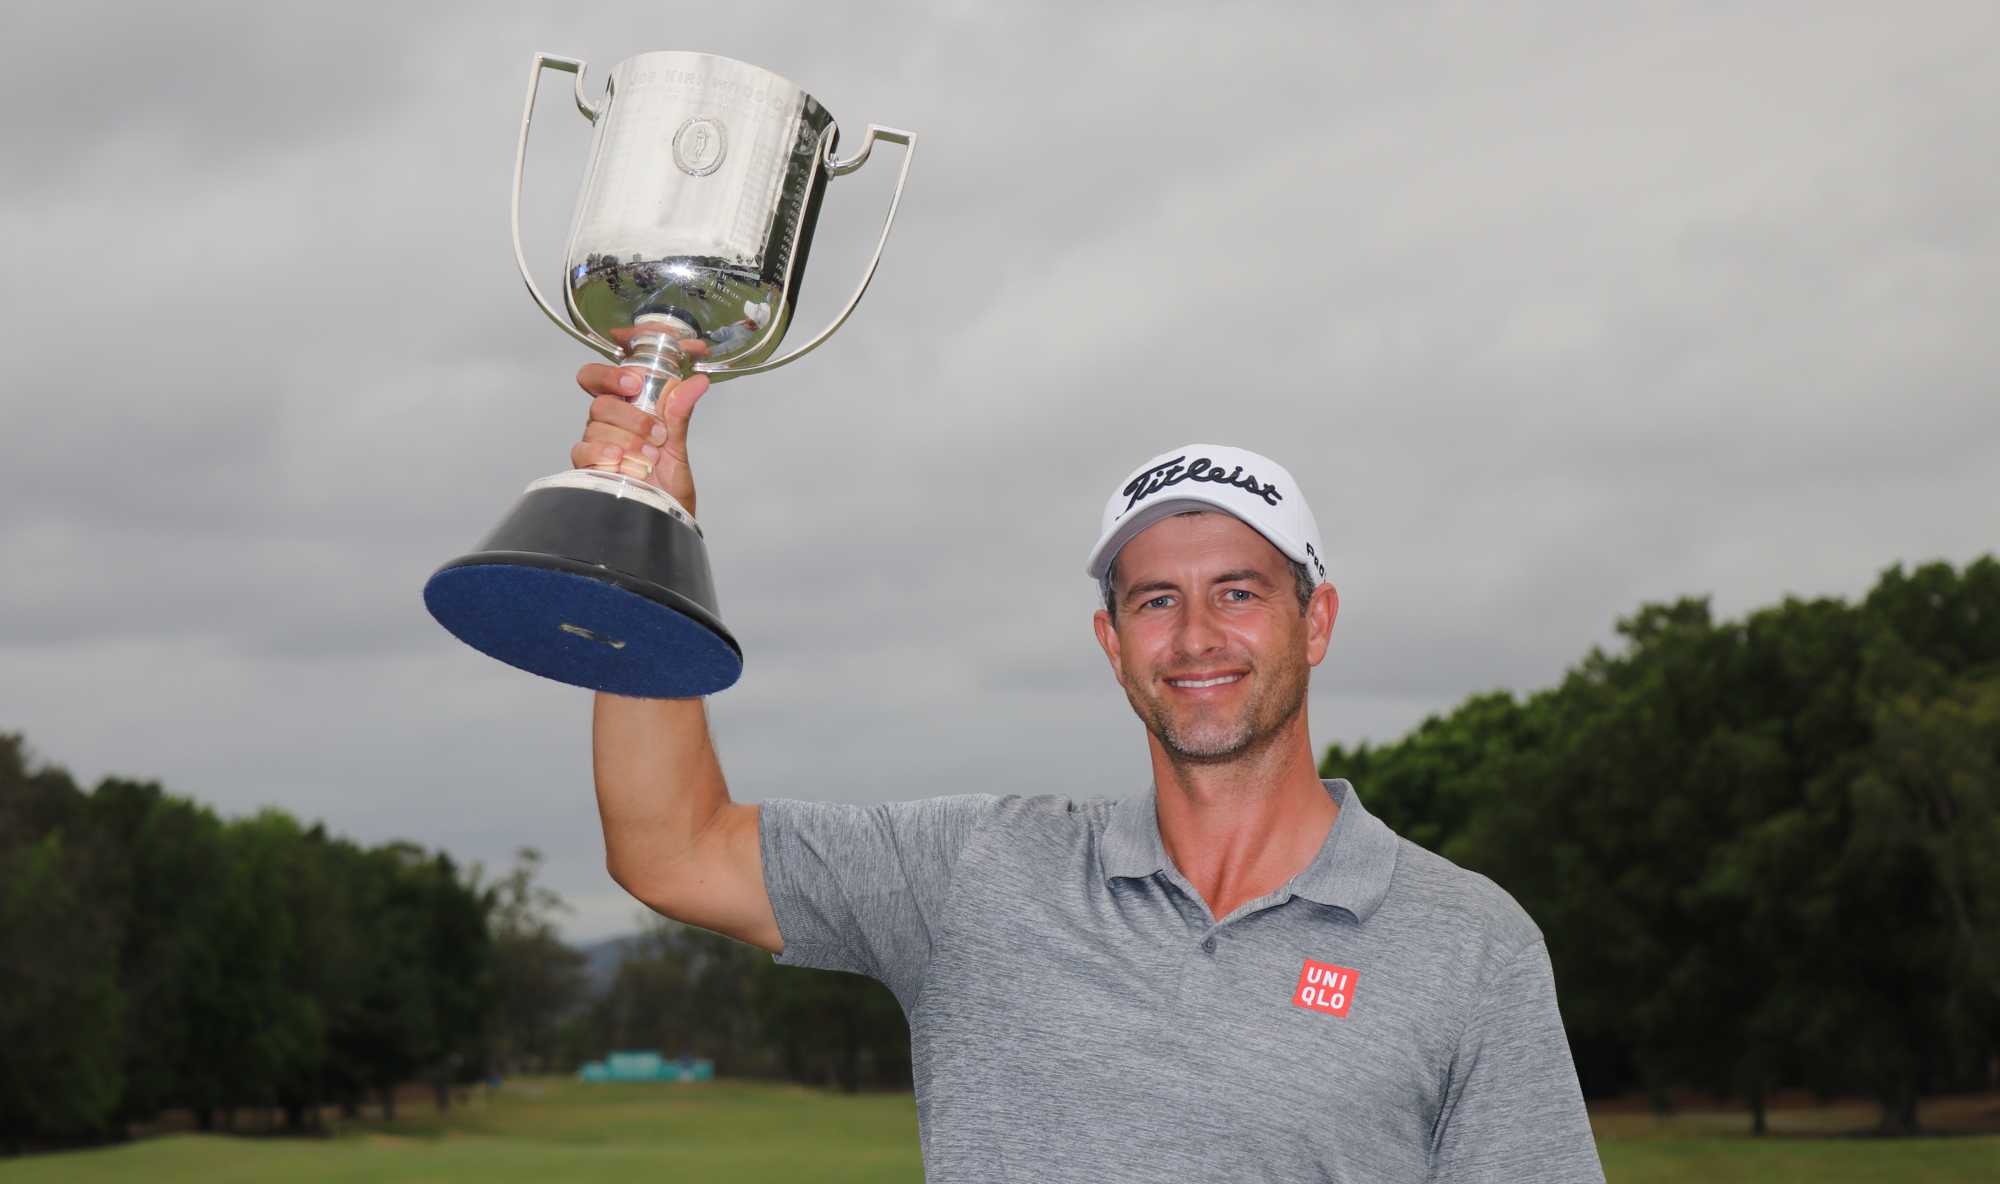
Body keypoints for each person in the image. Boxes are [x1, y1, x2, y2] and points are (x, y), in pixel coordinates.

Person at [569, 361, 1605, 1183]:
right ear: (1112, 642)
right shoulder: (977, 870)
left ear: (1314, 621)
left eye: (1238, 591)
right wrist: (644, 535)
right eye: (1155, 600)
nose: (1195, 635)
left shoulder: (1470, 946)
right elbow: (674, 845)